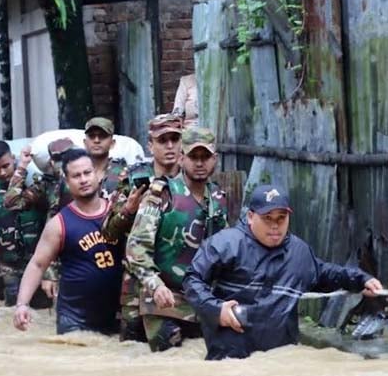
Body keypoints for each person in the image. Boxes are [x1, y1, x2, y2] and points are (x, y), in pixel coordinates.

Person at [184, 185, 384, 360]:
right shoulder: (225, 244)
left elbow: (326, 273)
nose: (275, 225)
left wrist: (360, 279)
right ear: (251, 217)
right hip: (229, 363)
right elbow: (192, 280)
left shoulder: (299, 253)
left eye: (281, 218)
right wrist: (216, 310)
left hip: (279, 363)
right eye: (267, 218)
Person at [122, 127, 228, 349]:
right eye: (193, 157)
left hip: (201, 297)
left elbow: (227, 251)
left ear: (215, 159)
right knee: (170, 353)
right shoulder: (161, 194)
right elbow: (136, 248)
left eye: (205, 157)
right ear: (181, 158)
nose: (200, 163)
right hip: (162, 297)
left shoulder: (218, 199)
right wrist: (155, 285)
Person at [13, 149, 123, 335]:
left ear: (97, 173)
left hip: (116, 315)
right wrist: (22, 305)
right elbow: (38, 264)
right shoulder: (59, 224)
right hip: (74, 319)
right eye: (76, 176)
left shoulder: (118, 212)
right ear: (67, 181)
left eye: (87, 173)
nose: (83, 180)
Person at [0, 141, 51, 308]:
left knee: (43, 310)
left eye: (6, 166)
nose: (2, 173)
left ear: (13, 158)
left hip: (38, 262)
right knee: (14, 310)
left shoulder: (34, 187)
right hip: (9, 267)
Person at [4, 138, 75, 300]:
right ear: (51, 163)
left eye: (68, 157)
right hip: (57, 262)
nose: (63, 164)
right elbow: (11, 202)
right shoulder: (47, 186)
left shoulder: (92, 181)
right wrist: (22, 167)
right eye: (58, 159)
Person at [102, 113, 184, 241]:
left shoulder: (190, 178)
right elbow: (108, 234)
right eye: (162, 140)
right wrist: (128, 211)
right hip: (139, 257)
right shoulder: (135, 179)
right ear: (150, 147)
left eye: (174, 139)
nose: (169, 146)